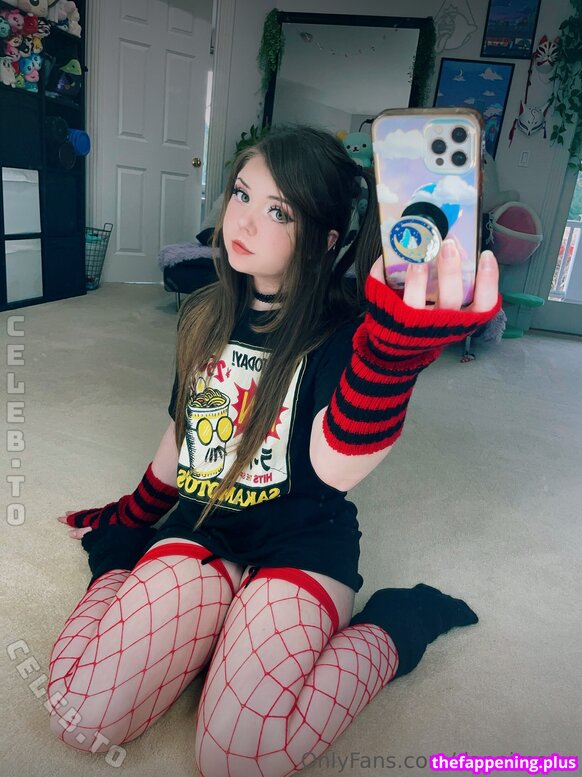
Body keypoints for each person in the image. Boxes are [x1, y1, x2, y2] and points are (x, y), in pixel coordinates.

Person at [48, 125, 500, 776]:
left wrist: (390, 359)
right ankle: (192, 600)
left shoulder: (350, 332)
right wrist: (126, 523)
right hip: (203, 529)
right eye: (241, 194)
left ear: (325, 239)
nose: (244, 220)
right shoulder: (202, 312)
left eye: (279, 210)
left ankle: (396, 622)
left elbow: (331, 466)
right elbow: (183, 437)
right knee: (76, 716)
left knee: (237, 758)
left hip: (302, 542)